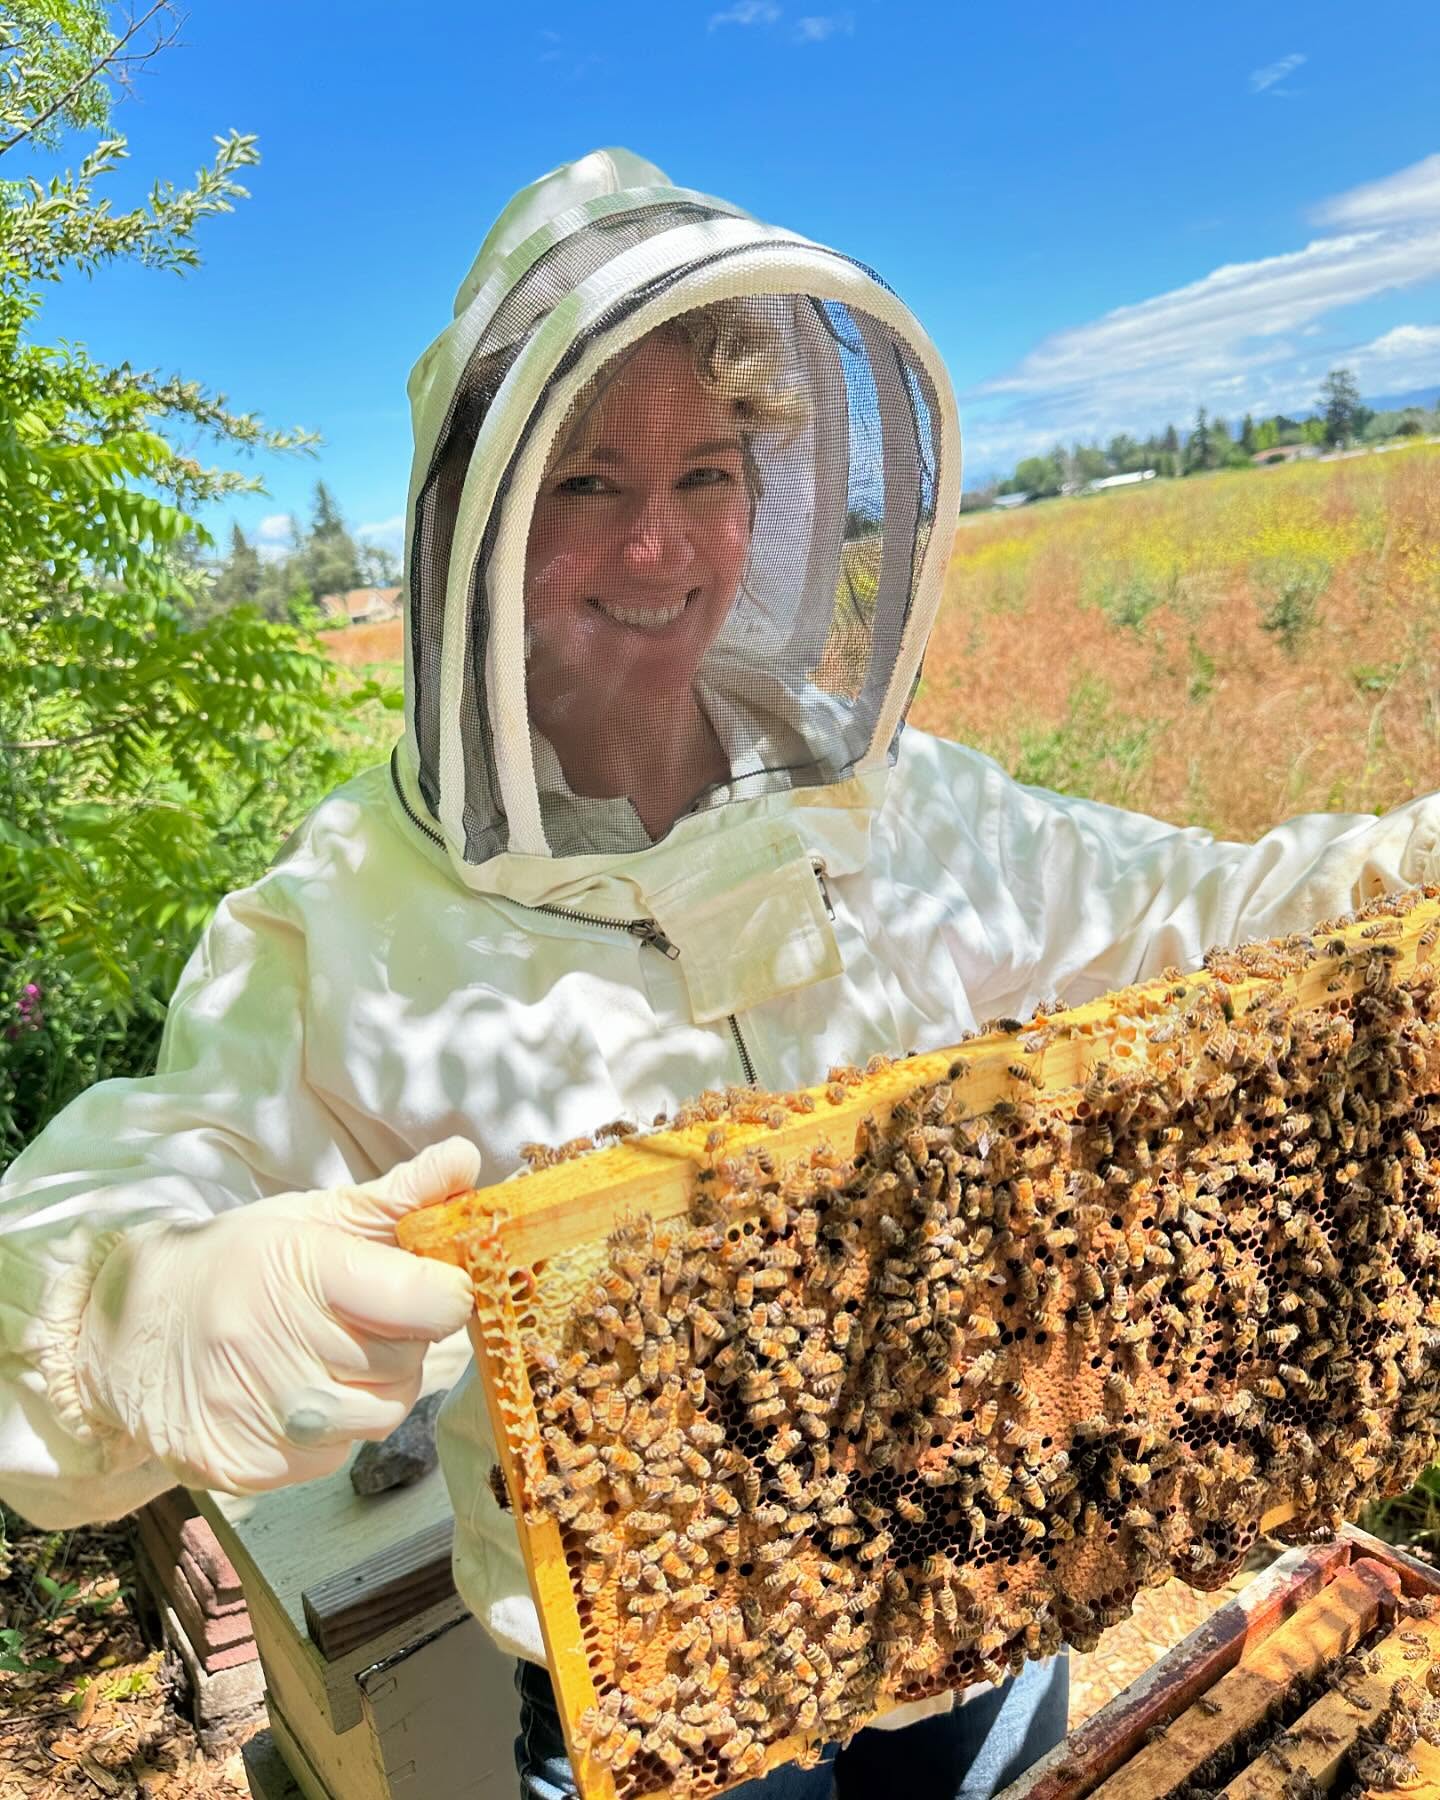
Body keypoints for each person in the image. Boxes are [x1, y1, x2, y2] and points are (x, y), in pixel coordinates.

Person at [3, 147, 1440, 1799]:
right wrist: (124, 1318)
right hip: (678, 1710)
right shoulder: (342, 915)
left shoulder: (899, 803)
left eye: (706, 475)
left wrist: (1408, 871)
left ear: (773, 501)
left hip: (986, 1599)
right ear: (475, 527)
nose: (657, 552)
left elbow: (1215, 910)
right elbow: (111, 1203)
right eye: (588, 487)